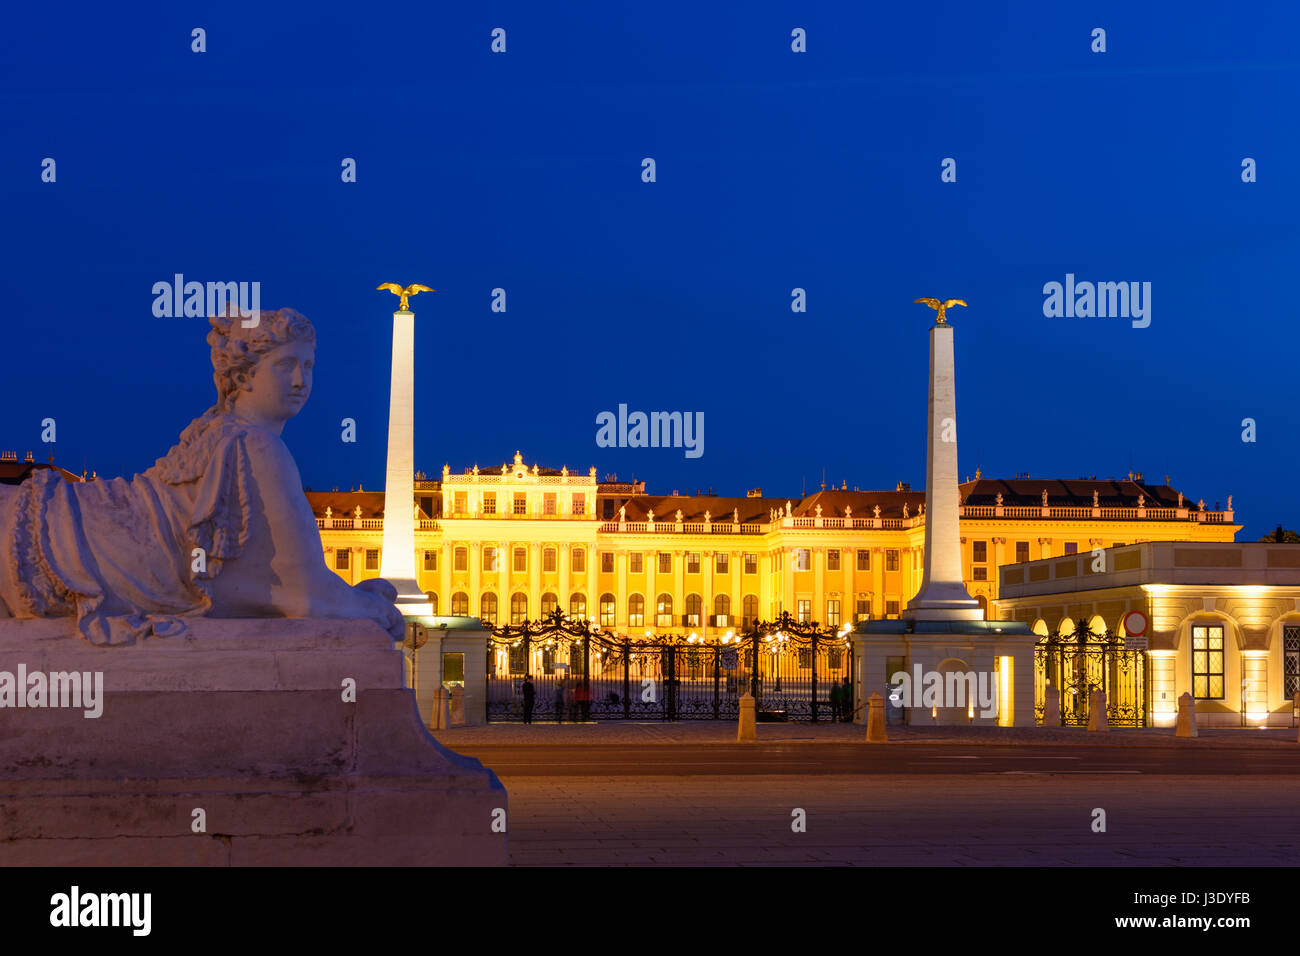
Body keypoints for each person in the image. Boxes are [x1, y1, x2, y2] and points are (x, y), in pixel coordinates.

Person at [0, 307, 404, 645]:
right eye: (286, 365)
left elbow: (266, 587)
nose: (301, 380)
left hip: (71, 522)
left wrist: (346, 595)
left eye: (309, 366)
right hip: (80, 549)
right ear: (244, 375)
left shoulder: (216, 432)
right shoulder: (257, 447)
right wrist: (368, 606)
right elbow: (305, 599)